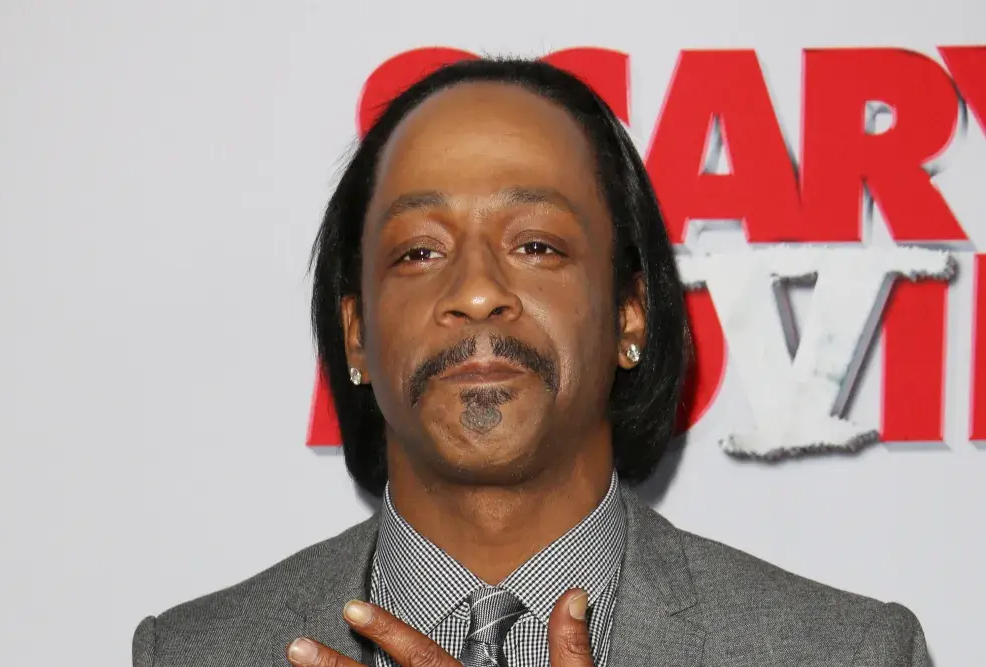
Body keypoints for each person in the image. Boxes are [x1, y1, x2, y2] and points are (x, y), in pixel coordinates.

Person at [132, 57, 931, 667]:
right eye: (419, 251)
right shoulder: (197, 654)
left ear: (630, 313)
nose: (477, 291)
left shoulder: (846, 652)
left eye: (538, 245)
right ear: (356, 335)